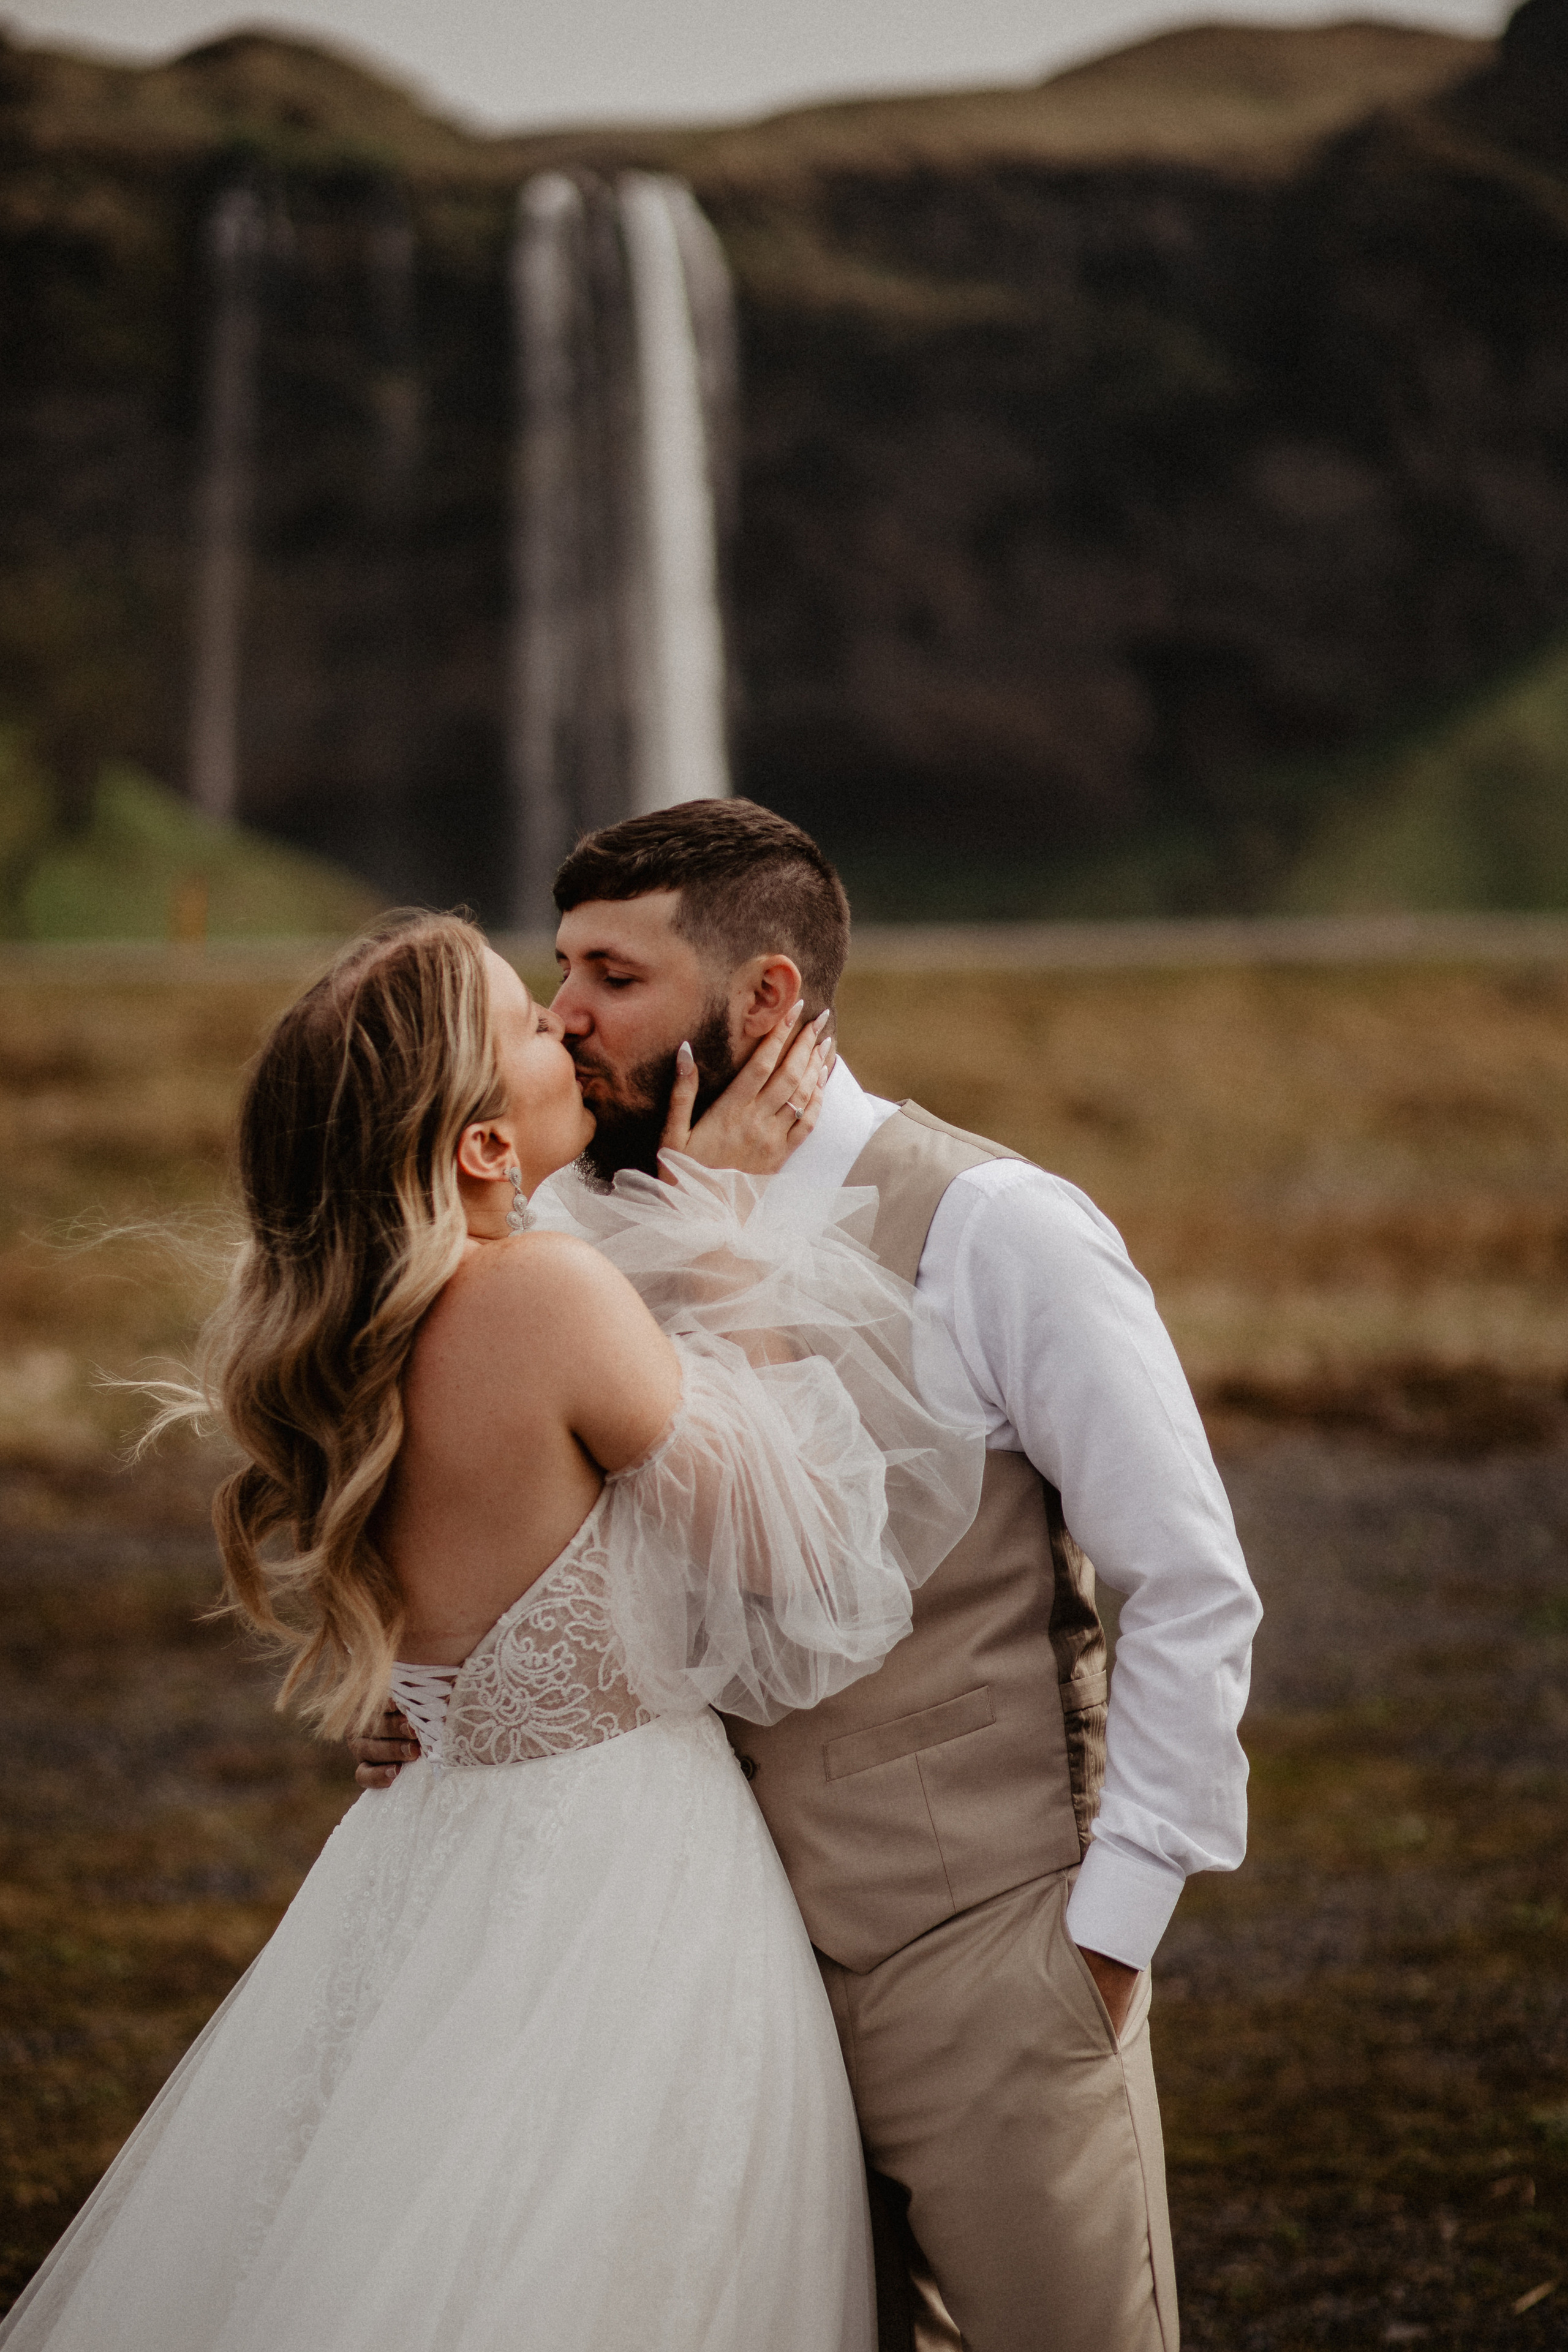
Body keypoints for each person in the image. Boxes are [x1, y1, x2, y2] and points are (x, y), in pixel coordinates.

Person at [0, 911, 985, 2352]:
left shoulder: (363, 1337)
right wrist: (721, 1235)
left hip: (427, 1852)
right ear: (474, 1148)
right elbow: (806, 1560)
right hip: (627, 1875)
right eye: (531, 1023)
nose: (568, 1030)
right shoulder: (546, 1292)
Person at [356, 801, 1264, 2352]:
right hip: (697, 1982)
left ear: (763, 997)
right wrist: (425, 1697)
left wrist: (1107, 1937)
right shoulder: (572, 1229)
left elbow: (1188, 1583)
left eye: (611, 978)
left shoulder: (998, 1227)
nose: (563, 1015)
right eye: (559, 970)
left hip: (983, 1961)